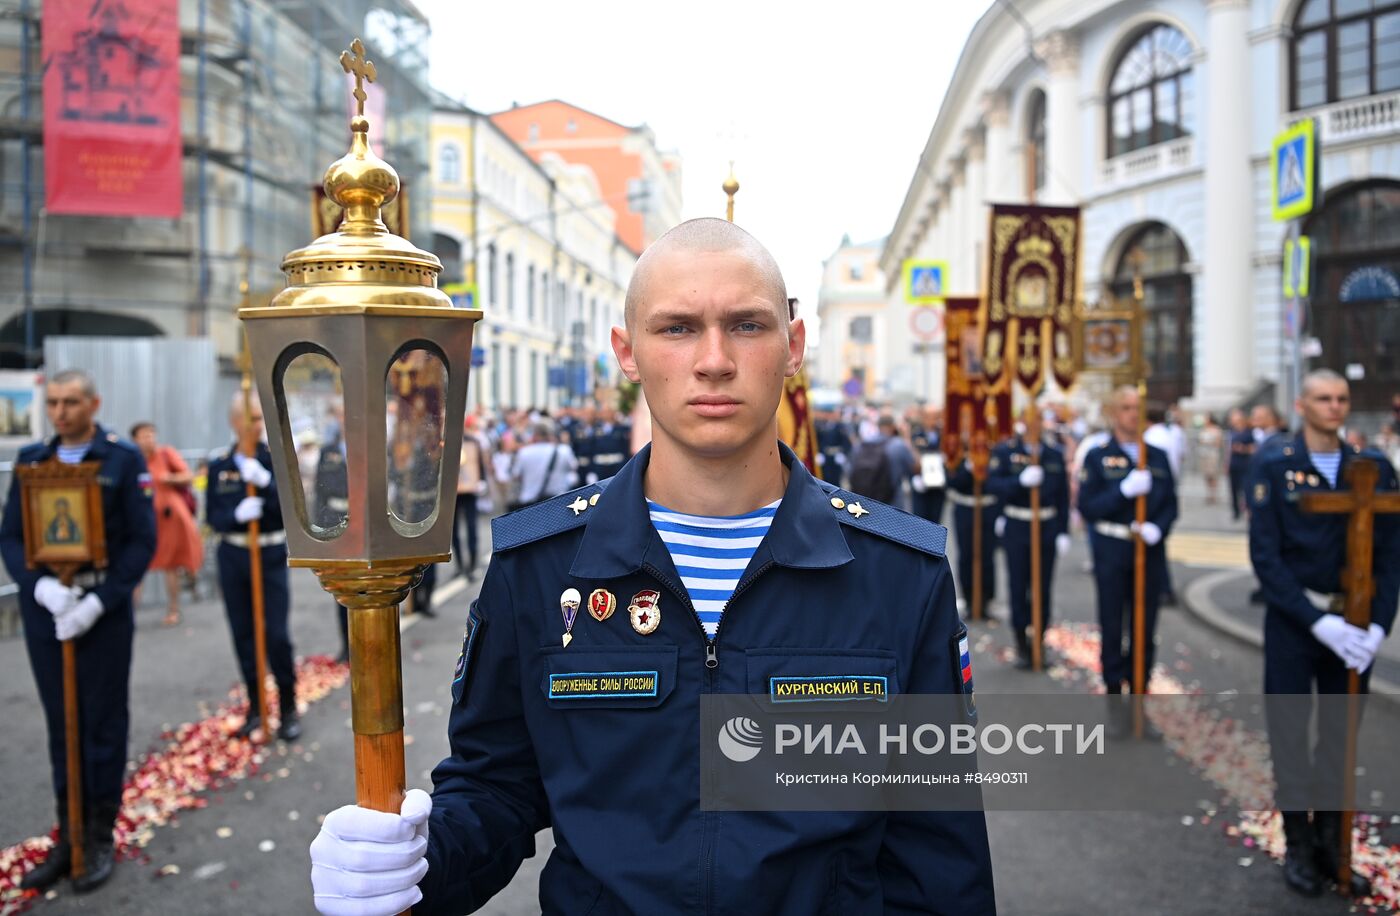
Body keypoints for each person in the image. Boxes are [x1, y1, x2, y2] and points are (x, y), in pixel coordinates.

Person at [308, 217, 994, 914]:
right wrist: (414, 864)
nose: (714, 359)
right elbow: (498, 787)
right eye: (677, 328)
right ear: (626, 351)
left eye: (747, 325)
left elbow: (939, 847)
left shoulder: (898, 573)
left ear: (794, 346)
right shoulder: (543, 567)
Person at [0, 369, 156, 892]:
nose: (61, 412)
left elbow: (141, 540)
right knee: (62, 725)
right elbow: (14, 537)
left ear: (94, 403)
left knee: (103, 725)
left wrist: (97, 601)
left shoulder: (121, 458)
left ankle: (97, 834)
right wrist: (37, 587)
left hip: (101, 612)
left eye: (71, 402)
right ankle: (67, 834)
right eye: (54, 403)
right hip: (49, 608)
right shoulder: (31, 462)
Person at [1248, 368, 1399, 899]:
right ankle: (1299, 848)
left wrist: (1378, 625)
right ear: (1301, 404)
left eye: (1341, 399)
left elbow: (1390, 555)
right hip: (1296, 623)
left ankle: (1335, 852)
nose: (1334, 407)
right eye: (1323, 398)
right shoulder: (1273, 463)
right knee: (1291, 737)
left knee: (1339, 742)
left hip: (1354, 628)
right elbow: (1266, 558)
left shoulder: (1373, 469)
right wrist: (1318, 622)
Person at [1076, 385, 1178, 736]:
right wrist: (1122, 491)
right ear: (1113, 413)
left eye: (1138, 407)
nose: (1133, 414)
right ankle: (1115, 701)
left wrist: (1157, 528)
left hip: (1147, 551)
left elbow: (1171, 505)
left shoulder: (1159, 456)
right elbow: (1088, 507)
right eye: (1125, 408)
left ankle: (1139, 699)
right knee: (1113, 624)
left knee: (1144, 628)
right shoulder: (1098, 455)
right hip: (1112, 548)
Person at [206, 393, 300, 741]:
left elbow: (293, 513)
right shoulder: (220, 465)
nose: (256, 426)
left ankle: (288, 707)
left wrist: (267, 485)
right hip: (234, 555)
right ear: (235, 422)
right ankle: (256, 707)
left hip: (270, 554)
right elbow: (212, 517)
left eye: (260, 419)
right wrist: (235, 515)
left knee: (276, 635)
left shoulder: (275, 461)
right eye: (250, 419)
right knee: (244, 635)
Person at [985, 407, 1070, 668]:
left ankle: (1039, 639)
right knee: (1018, 585)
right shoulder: (1006, 452)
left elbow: (1063, 496)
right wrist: (1019, 482)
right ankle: (1021, 640)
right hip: (1018, 524)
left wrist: (1063, 530)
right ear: (1021, 422)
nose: (1034, 425)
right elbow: (993, 485)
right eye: (1029, 420)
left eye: (1039, 420)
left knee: (1042, 587)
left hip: (1045, 524)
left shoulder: (1054, 455)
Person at [131, 422, 203, 626]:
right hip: (144, 521)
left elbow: (188, 475)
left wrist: (169, 478)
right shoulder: (133, 460)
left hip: (169, 520)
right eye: (144, 436)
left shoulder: (165, 454)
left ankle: (174, 609)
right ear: (135, 440)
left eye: (152, 435)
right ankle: (129, 614)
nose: (149, 439)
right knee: (137, 565)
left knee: (171, 564)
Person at [947, 449, 1001, 620]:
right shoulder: (958, 453)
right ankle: (970, 600)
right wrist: (968, 470)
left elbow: (997, 480)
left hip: (987, 508)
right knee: (966, 556)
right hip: (965, 509)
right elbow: (951, 482)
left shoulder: (992, 452)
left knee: (987, 556)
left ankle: (985, 600)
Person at [509, 419, 577, 509]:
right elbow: (574, 467)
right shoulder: (563, 450)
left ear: (535, 435)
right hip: (559, 502)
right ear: (551, 434)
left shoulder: (524, 452)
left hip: (530, 503)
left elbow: (516, 475)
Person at [453, 415, 489, 580]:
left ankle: (472, 564)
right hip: (454, 492)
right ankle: (460, 564)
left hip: (469, 489)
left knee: (471, 528)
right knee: (454, 531)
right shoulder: (446, 442)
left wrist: (481, 481)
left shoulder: (472, 442)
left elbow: (479, 464)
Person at [909, 404, 948, 526]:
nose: (932, 420)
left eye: (935, 417)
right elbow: (910, 457)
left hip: (938, 486)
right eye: (929, 416)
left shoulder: (944, 435)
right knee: (919, 522)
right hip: (921, 485)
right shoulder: (916, 435)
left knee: (935, 522)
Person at [1226, 408, 1255, 521]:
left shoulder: (1249, 431)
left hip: (1246, 464)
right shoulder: (1232, 431)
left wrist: (1243, 449)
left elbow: (1254, 448)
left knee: (1246, 488)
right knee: (1233, 489)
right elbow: (1229, 449)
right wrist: (1227, 463)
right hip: (1234, 464)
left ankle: (1247, 509)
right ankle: (1236, 511)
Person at [1196, 413, 1224, 505]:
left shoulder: (1216, 430)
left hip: (1212, 455)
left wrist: (1208, 442)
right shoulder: (1204, 429)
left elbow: (1219, 443)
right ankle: (1208, 493)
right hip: (1204, 455)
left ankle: (1213, 494)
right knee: (1207, 475)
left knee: (1213, 475)